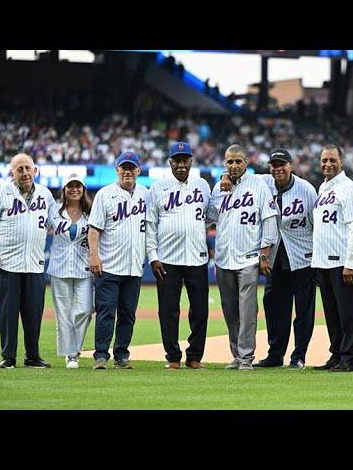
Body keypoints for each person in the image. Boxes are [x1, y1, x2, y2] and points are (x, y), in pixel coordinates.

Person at [0, 153, 57, 368]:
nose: (24, 173)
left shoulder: (45, 194)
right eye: (19, 169)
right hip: (6, 265)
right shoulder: (1, 194)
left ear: (35, 171)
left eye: (27, 168)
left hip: (35, 264)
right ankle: (8, 357)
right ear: (12, 173)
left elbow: (57, 222)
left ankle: (33, 356)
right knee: (8, 314)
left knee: (33, 314)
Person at [208, 144, 279, 371]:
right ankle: (237, 355)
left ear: (247, 163)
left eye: (238, 161)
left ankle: (247, 357)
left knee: (248, 310)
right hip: (223, 258)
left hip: (249, 258)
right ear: (224, 163)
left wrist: (265, 254)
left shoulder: (259, 183)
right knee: (230, 310)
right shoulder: (218, 188)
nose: (234, 165)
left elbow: (269, 219)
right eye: (230, 162)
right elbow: (210, 216)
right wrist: (221, 182)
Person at [146, 142, 211, 370]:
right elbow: (150, 224)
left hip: (197, 258)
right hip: (167, 260)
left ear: (191, 161)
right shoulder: (158, 187)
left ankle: (194, 357)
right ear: (170, 163)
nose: (181, 165)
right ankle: (173, 357)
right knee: (168, 310)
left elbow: (210, 216)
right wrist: (153, 256)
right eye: (177, 161)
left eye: (185, 160)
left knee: (200, 310)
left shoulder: (202, 185)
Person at [251, 149, 318, 369]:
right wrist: (224, 178)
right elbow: (239, 176)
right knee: (273, 307)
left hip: (302, 257)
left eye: (282, 164)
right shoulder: (263, 184)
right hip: (276, 258)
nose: (278, 168)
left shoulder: (306, 189)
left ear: (291, 165)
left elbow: (316, 225)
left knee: (303, 310)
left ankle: (298, 356)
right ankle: (275, 355)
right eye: (274, 165)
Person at [88, 151, 148, 370]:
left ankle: (121, 355)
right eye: (124, 167)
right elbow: (94, 228)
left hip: (134, 267)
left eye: (132, 168)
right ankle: (101, 355)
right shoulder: (104, 194)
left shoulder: (145, 194)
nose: (128, 171)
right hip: (109, 266)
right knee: (105, 312)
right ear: (117, 170)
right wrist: (93, 255)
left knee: (128, 315)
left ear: (138, 171)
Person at [312, 144, 353, 372]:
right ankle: (336, 354)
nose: (328, 164)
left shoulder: (348, 188)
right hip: (323, 262)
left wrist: (350, 263)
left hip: (340, 262)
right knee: (331, 313)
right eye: (324, 160)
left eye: (332, 160)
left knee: (346, 313)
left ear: (341, 162)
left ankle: (349, 358)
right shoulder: (322, 188)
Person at [47, 173, 93, 369]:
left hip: (84, 268)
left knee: (85, 310)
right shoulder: (53, 211)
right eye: (70, 186)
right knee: (63, 314)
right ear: (64, 189)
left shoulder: (91, 212)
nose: (74, 189)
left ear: (83, 189)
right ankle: (71, 354)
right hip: (59, 267)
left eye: (78, 186)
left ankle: (74, 348)